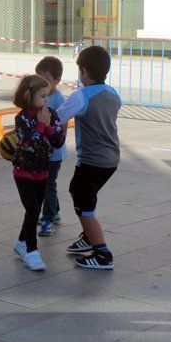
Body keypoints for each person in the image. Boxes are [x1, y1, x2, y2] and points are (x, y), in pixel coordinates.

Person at [56, 45, 121, 270]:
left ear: (83, 71)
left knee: (84, 204)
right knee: (78, 191)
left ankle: (102, 254)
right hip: (111, 159)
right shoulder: (113, 94)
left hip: (93, 160)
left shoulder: (81, 95)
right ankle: (88, 237)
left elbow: (58, 118)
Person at [10, 75, 66, 272]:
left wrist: (48, 125)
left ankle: (21, 242)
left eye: (47, 96)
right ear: (29, 96)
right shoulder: (22, 117)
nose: (46, 100)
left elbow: (58, 141)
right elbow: (29, 144)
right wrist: (41, 125)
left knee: (32, 210)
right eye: (42, 96)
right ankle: (32, 252)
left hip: (43, 170)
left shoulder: (50, 113)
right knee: (33, 210)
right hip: (24, 170)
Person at [35, 56, 67, 237]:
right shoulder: (39, 96)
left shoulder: (58, 99)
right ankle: (54, 211)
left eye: (46, 78)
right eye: (38, 77)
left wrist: (48, 126)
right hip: (42, 150)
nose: (42, 82)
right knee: (48, 183)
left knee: (48, 183)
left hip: (54, 151)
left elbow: (61, 125)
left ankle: (47, 218)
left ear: (56, 81)